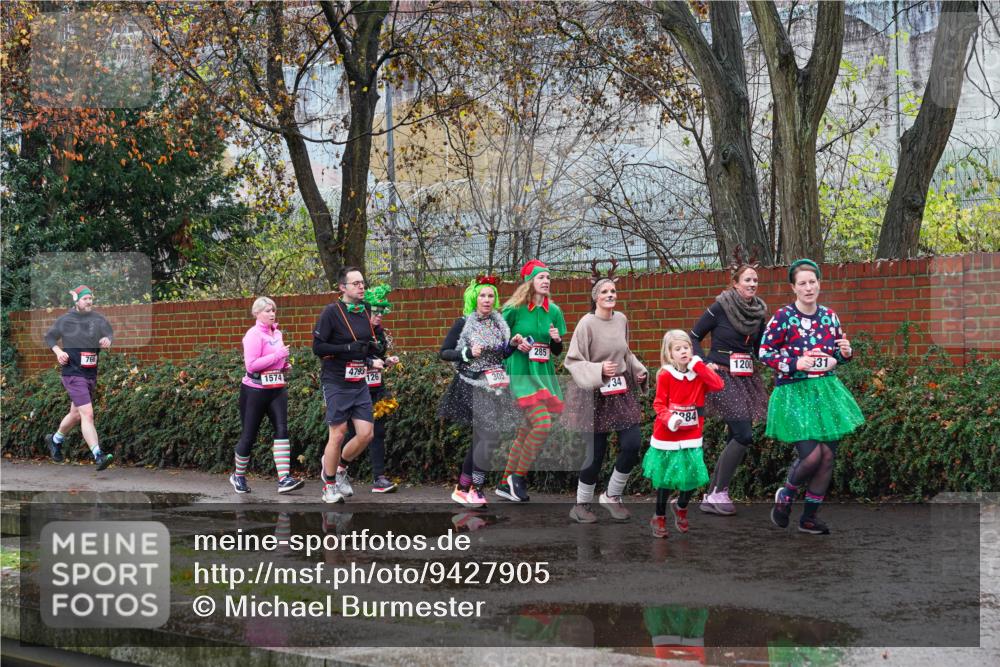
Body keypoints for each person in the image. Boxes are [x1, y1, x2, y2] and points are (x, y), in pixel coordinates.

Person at [760, 259, 863, 535]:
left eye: (812, 282)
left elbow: (836, 357)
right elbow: (764, 353)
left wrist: (845, 353)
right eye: (802, 283)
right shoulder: (782, 317)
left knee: (828, 456)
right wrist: (796, 364)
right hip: (793, 394)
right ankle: (786, 495)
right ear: (793, 287)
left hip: (826, 393)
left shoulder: (830, 316)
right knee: (813, 455)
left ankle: (809, 518)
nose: (808, 287)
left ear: (819, 283)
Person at [563, 265, 649, 523]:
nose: (611, 295)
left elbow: (626, 353)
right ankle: (581, 506)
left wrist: (639, 371)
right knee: (595, 453)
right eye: (605, 291)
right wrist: (600, 369)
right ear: (595, 297)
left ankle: (612, 495)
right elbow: (573, 361)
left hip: (620, 390)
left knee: (632, 443)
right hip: (594, 393)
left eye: (613, 291)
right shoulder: (587, 323)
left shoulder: (621, 319)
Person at [689, 253, 770, 516]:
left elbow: (760, 349)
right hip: (720, 376)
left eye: (755, 280)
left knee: (736, 435)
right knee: (744, 434)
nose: (752, 283)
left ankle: (712, 494)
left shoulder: (759, 312)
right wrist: (703, 364)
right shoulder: (720, 307)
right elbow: (693, 336)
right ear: (735, 283)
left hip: (746, 378)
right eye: (747, 279)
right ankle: (718, 492)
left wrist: (779, 359)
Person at [438, 275, 521, 507]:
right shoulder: (463, 322)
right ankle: (476, 488)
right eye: (483, 295)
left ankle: (463, 488)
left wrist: (512, 345)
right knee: (489, 436)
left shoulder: (498, 323)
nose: (487, 299)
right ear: (475, 298)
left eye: (491, 295)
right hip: (472, 383)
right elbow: (444, 352)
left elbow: (501, 354)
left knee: (483, 439)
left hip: (495, 386)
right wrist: (467, 353)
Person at [312, 266, 385, 503]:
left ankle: (340, 469)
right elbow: (318, 348)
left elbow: (364, 344)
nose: (362, 286)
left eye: (363, 282)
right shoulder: (331, 312)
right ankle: (329, 484)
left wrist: (372, 357)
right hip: (336, 381)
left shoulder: (365, 310)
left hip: (358, 381)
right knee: (339, 433)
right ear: (343, 287)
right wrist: (346, 349)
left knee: (366, 434)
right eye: (356, 283)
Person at [496, 260, 567, 502]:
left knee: (525, 431)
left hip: (542, 375)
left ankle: (505, 483)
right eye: (541, 277)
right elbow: (499, 344)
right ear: (530, 282)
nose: (546, 281)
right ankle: (518, 478)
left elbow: (557, 351)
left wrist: (556, 340)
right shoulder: (514, 309)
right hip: (520, 373)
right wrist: (514, 340)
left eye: (548, 277)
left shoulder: (554, 311)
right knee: (543, 424)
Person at [643, 330, 724, 538]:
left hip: (691, 435)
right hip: (667, 436)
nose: (683, 352)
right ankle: (659, 517)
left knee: (691, 476)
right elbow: (659, 403)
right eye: (678, 349)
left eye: (686, 348)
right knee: (666, 480)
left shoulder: (698, 373)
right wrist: (671, 419)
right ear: (670, 354)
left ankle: (681, 506)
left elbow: (718, 384)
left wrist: (699, 365)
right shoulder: (665, 374)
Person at [229, 297, 304, 495]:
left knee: (282, 430)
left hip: (277, 388)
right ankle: (238, 475)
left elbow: (275, 359)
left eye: (273, 310)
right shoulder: (253, 335)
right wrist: (278, 356)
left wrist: (284, 366)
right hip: (254, 390)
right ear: (257, 314)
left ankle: (284, 479)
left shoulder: (277, 332)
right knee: (249, 435)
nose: (272, 314)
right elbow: (251, 365)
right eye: (267, 311)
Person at [43, 285, 114, 470]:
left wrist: (108, 339)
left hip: (90, 373)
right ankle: (98, 455)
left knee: (75, 414)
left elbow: (109, 332)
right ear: (77, 300)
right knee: (87, 414)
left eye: (90, 298)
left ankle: (55, 439)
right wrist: (58, 351)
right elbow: (50, 337)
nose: (89, 302)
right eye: (85, 299)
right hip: (73, 373)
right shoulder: (65, 320)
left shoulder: (98, 319)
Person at [344, 284, 400, 493]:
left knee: (378, 432)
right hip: (355, 389)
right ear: (365, 310)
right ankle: (337, 470)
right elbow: (349, 356)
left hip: (376, 388)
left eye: (382, 311)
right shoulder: (353, 331)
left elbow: (379, 357)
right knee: (353, 434)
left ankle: (379, 477)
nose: (380, 315)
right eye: (375, 310)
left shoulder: (380, 332)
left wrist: (387, 361)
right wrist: (368, 362)